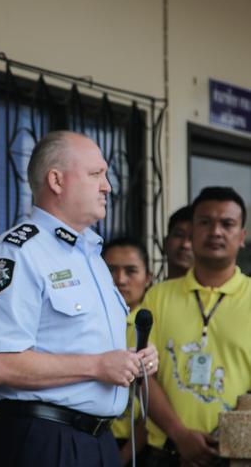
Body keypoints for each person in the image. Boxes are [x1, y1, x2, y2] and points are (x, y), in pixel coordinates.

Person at [0, 131, 159, 467]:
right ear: (56, 180)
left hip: (97, 442)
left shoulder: (90, 255)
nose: (107, 186)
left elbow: (81, 349)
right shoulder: (19, 253)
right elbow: (0, 364)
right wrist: (100, 366)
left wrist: (130, 361)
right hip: (43, 440)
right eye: (95, 174)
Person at [143, 186, 250, 467]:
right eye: (205, 222)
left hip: (236, 456)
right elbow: (140, 373)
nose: (216, 231)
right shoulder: (158, 296)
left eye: (227, 224)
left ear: (242, 237)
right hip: (166, 454)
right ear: (192, 232)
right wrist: (180, 434)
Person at [103, 237, 153, 466]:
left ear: (148, 278)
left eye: (131, 271)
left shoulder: (153, 323)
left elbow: (155, 396)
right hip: (90, 435)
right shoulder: (89, 322)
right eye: (111, 270)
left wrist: (121, 459)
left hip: (139, 442)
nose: (120, 279)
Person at [163, 206, 193, 280]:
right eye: (179, 235)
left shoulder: (213, 291)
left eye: (193, 238)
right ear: (165, 243)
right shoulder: (154, 291)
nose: (185, 245)